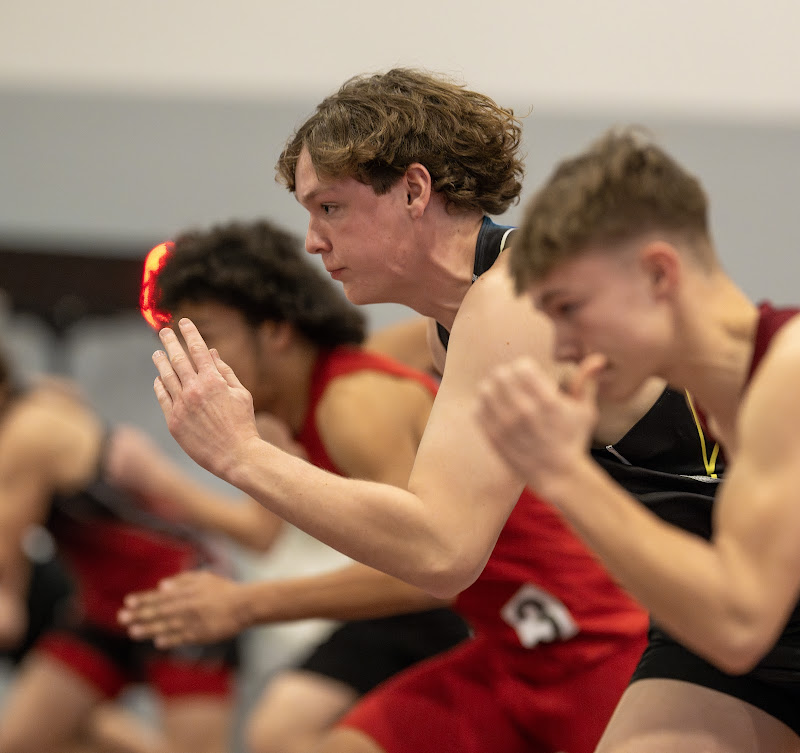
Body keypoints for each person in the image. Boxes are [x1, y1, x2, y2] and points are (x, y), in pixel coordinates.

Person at [142, 70, 653, 752]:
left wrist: (241, 483)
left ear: (414, 189)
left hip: (600, 637)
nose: (312, 240)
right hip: (520, 644)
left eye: (330, 209)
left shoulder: (503, 302)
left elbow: (435, 557)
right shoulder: (448, 326)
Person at [476, 127, 800, 750]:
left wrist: (563, 475)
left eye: (569, 308)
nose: (563, 348)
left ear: (658, 274)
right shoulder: (711, 402)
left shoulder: (786, 374)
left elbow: (738, 623)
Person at [125, 219, 472, 753]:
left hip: (494, 607)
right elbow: (266, 532)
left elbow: (430, 572)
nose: (192, 363)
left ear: (277, 330)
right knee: (280, 733)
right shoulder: (293, 408)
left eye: (208, 338)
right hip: (455, 605)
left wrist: (247, 604)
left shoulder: (352, 405)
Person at [0, 356, 245, 753]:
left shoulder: (29, 429)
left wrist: (8, 596)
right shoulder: (44, 400)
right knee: (20, 741)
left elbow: (5, 542)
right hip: (106, 605)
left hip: (178, 590)